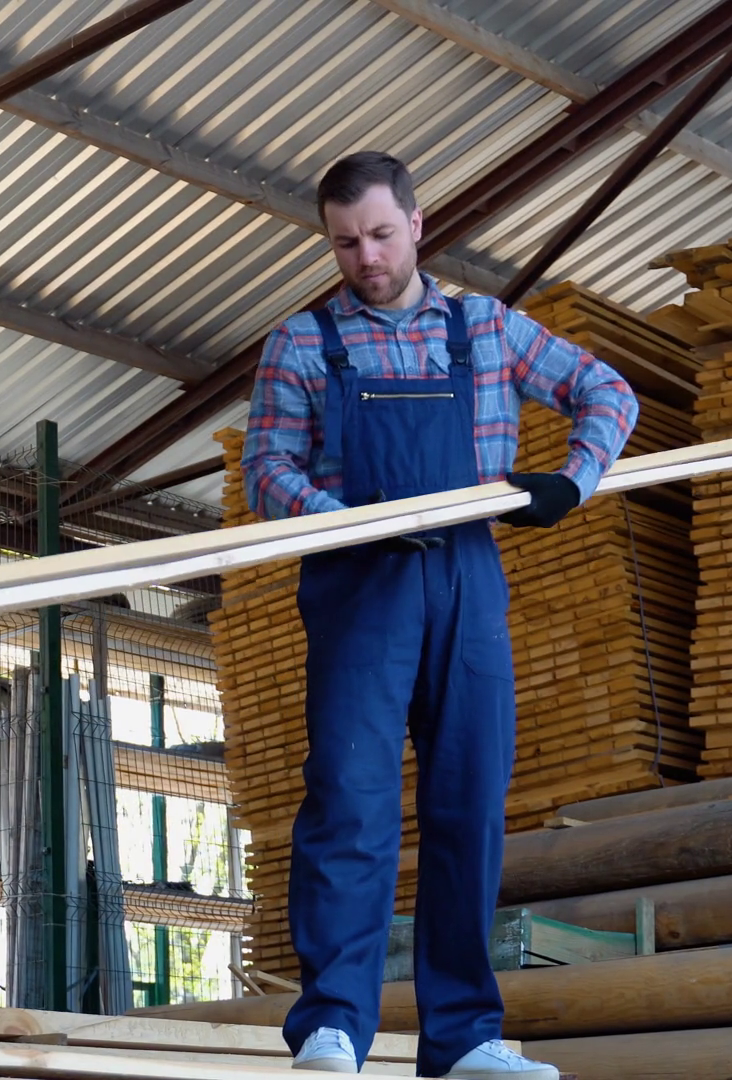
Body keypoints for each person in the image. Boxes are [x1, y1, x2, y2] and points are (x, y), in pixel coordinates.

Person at [240, 152, 637, 1080]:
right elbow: (266, 470)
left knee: (469, 803)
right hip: (360, 582)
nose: (367, 258)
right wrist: (340, 518)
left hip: (467, 579)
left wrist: (573, 480)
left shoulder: (487, 328)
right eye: (346, 243)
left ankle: (462, 1038)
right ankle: (334, 1029)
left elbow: (609, 393)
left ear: (417, 225)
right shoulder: (301, 344)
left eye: (382, 235)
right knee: (351, 804)